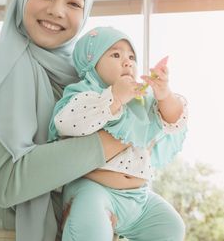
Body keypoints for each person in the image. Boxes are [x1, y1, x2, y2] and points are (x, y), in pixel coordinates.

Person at [0, 0, 130, 241]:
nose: (56, 11)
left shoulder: (88, 79)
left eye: (74, 3)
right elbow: (8, 182)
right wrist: (114, 140)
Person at [49, 26, 188, 241]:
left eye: (131, 57)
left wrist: (164, 94)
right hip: (95, 190)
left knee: (171, 227)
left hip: (138, 198)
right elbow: (66, 123)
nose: (127, 62)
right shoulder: (88, 93)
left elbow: (174, 121)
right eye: (116, 54)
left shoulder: (143, 100)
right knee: (91, 230)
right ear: (92, 63)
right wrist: (114, 98)